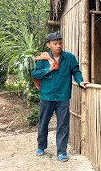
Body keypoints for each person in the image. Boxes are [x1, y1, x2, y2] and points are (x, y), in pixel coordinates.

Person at [31, 32, 89, 162]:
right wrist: (49, 69)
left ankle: (61, 152)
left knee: (63, 124)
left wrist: (80, 81)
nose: (58, 46)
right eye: (55, 43)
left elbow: (76, 71)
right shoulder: (42, 59)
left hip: (63, 96)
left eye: (60, 43)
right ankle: (41, 145)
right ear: (48, 45)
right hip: (46, 96)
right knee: (43, 123)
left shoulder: (69, 58)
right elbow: (35, 74)